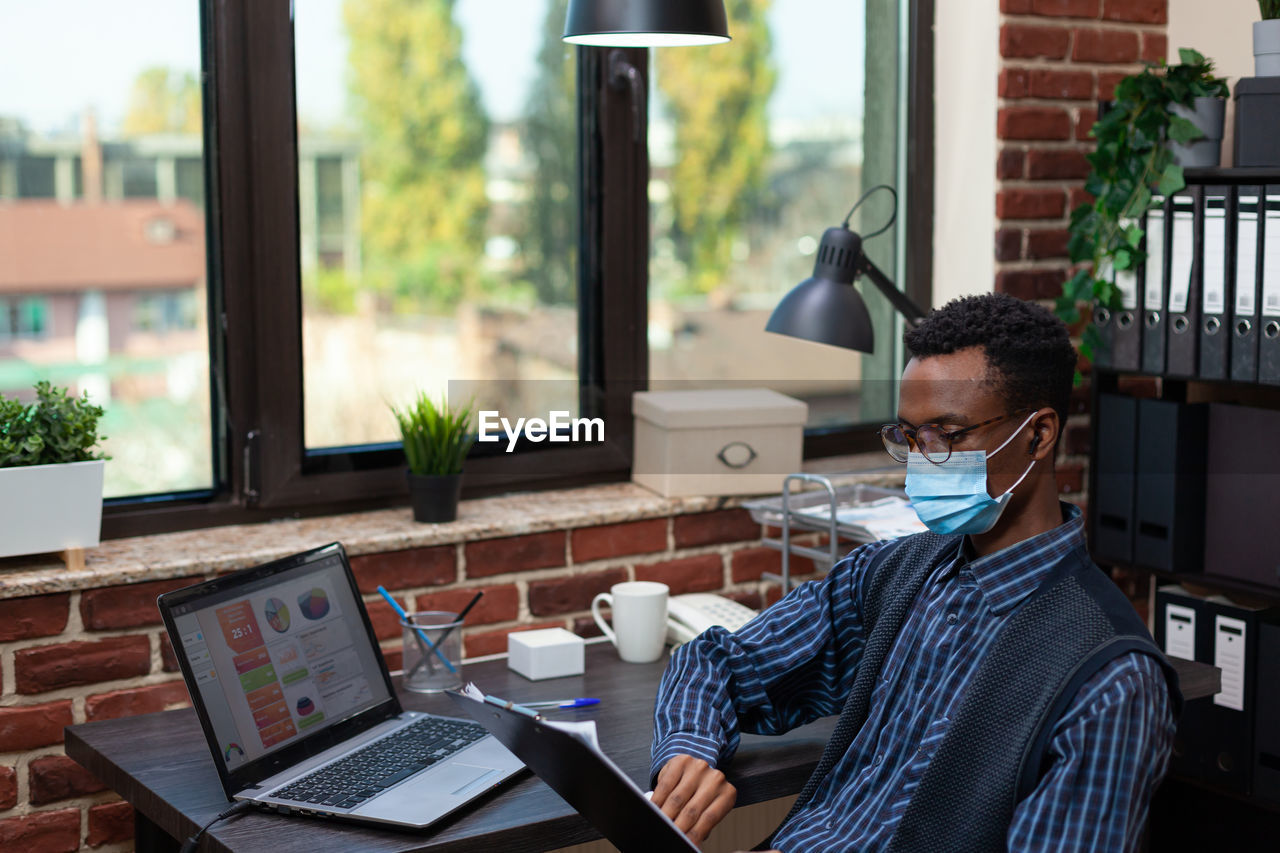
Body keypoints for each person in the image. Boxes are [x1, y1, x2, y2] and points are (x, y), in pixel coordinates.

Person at [649, 293, 1181, 852]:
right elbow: (717, 662)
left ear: (1038, 435)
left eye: (947, 435)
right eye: (909, 437)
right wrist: (689, 747)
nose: (923, 460)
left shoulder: (1110, 685)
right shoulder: (897, 574)